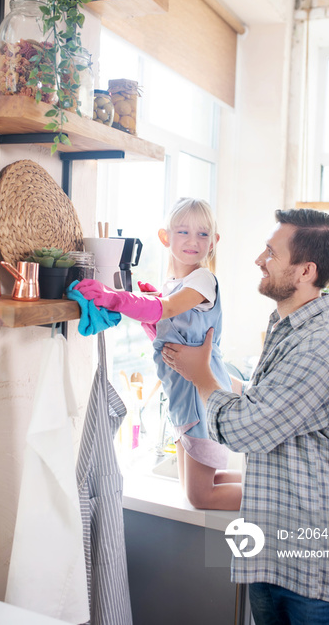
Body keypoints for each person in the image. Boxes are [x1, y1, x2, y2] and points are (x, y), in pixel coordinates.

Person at [160, 208, 329, 625]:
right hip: (274, 552)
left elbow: (246, 430)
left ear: (305, 270)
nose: (260, 259)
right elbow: (270, 402)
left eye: (271, 253)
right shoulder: (286, 327)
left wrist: (202, 377)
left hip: (315, 568)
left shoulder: (320, 343)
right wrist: (212, 376)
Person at [74, 198, 242, 510]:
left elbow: (166, 308)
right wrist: (153, 320)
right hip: (182, 396)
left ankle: (279, 499)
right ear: (165, 237)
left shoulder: (202, 279)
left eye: (203, 235)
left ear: (214, 242)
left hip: (198, 396)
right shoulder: (175, 284)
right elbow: (170, 325)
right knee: (195, 486)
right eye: (183, 232)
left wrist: (117, 298)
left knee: (200, 495)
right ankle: (269, 485)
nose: (193, 241)